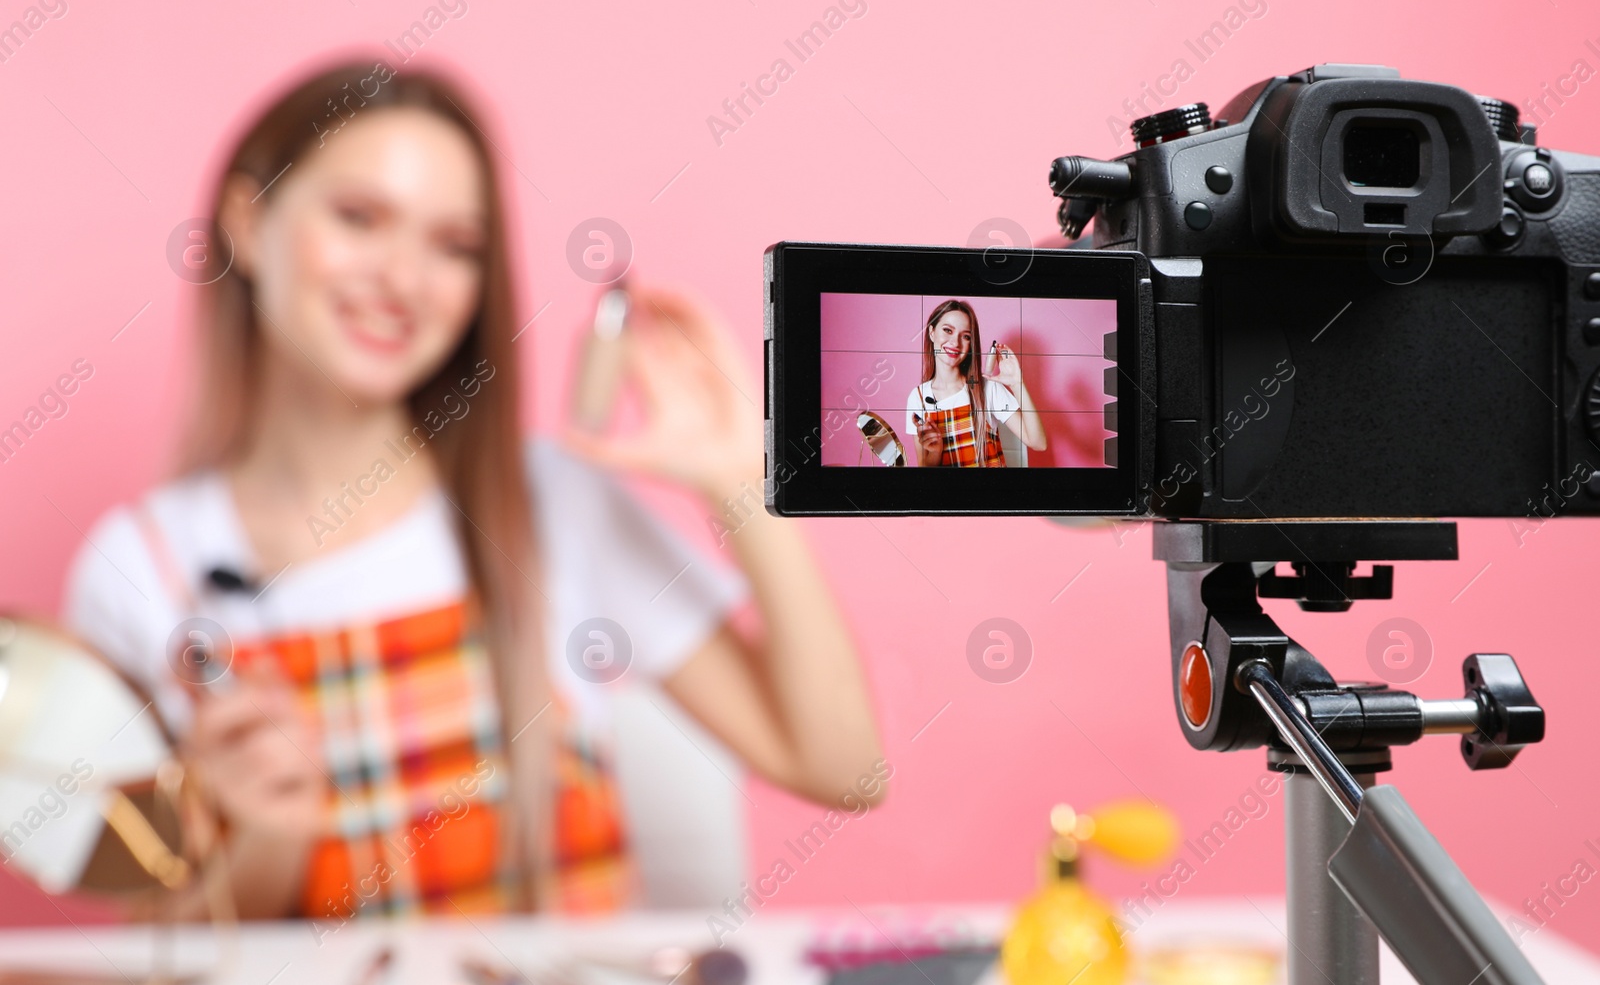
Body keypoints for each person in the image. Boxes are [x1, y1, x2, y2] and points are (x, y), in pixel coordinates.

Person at [62, 58, 882, 920]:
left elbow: (849, 769)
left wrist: (742, 484)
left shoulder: (551, 503)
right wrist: (262, 835)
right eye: (359, 217)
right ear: (247, 221)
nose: (404, 280)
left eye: (454, 245)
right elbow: (160, 958)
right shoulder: (140, 569)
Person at [905, 299, 1047, 467]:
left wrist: (1017, 383)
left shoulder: (988, 388)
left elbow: (1038, 443)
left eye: (965, 336)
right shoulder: (918, 397)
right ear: (931, 332)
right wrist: (935, 451)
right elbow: (924, 465)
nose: (955, 342)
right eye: (947, 330)